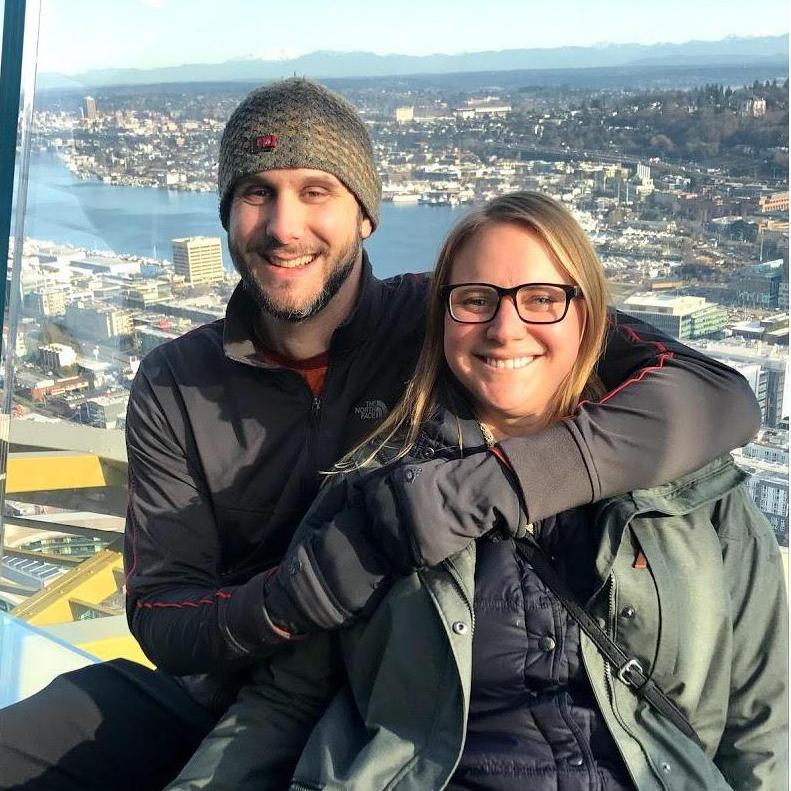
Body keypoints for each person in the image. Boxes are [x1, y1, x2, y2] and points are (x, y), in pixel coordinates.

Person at [0, 81, 763, 791]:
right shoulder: (174, 382)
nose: (282, 225)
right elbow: (165, 615)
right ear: (226, 213)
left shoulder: (446, 319)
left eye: (316, 192)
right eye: (256, 194)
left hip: (400, 689)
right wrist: (301, 596)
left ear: (365, 213)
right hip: (249, 688)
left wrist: (481, 491)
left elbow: (712, 392)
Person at [169, 192, 788, 791]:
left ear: (591, 317)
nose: (504, 328)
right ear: (442, 320)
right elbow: (284, 702)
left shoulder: (697, 492)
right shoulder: (378, 498)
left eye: (541, 299)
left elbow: (761, 721)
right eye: (475, 300)